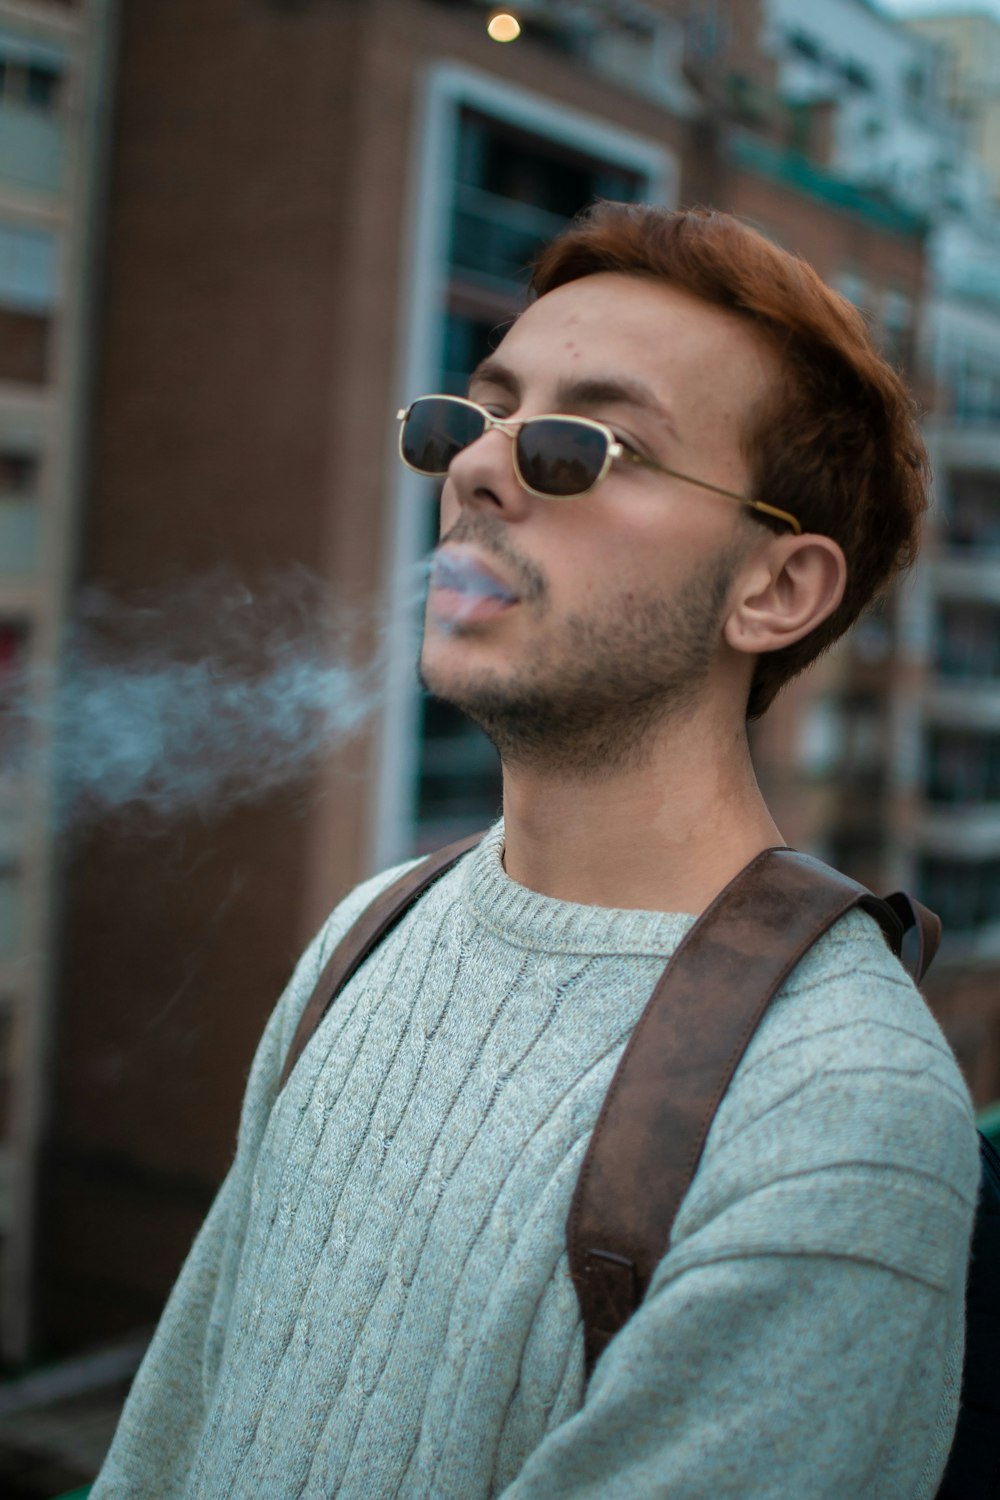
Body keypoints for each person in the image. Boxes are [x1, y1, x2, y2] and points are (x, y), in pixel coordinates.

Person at [93, 204, 979, 1499]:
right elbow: (165, 1440)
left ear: (777, 589)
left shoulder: (834, 1114)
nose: (478, 471)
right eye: (476, 417)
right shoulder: (370, 932)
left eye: (581, 445)